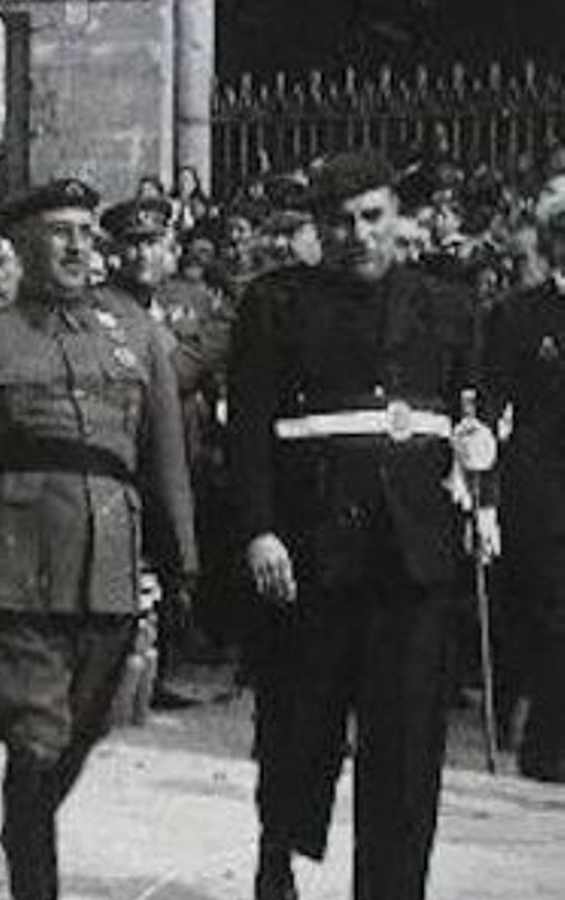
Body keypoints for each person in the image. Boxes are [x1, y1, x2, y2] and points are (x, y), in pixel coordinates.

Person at [0, 177, 197, 900]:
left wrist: (182, 563)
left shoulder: (137, 340)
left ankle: (23, 824)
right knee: (36, 739)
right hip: (13, 572)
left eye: (85, 234)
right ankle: (37, 882)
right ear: (21, 247)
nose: (76, 246)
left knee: (78, 736)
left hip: (111, 573)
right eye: (58, 233)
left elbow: (166, 462)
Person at [228, 151, 498, 900]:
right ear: (317, 227)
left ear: (398, 219)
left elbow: (471, 421)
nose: (359, 236)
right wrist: (259, 529)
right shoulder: (277, 304)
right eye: (340, 222)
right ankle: (277, 851)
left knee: (408, 748)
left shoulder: (447, 304)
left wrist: (484, 497)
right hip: (312, 551)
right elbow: (248, 430)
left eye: (373, 218)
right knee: (298, 727)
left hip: (413, 557)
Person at [101, 196, 236, 702]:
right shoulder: (107, 308)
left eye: (153, 244)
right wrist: (200, 351)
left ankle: (156, 671)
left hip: (181, 451)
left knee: (167, 559)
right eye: (132, 245)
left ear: (171, 247)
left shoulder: (184, 301)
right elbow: (175, 372)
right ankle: (129, 677)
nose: (142, 256)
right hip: (133, 453)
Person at [481, 187, 565, 784]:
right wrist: (483, 487)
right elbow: (489, 405)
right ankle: (545, 744)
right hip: (541, 483)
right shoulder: (520, 314)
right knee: (547, 610)